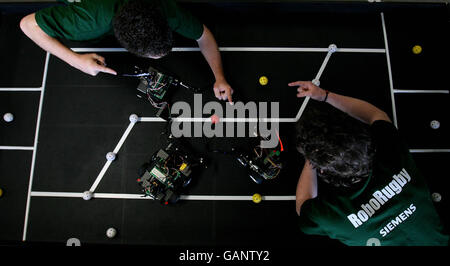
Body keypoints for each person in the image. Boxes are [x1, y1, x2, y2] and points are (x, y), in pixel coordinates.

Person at [288, 80, 449, 246]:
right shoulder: (393, 155)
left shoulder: (331, 216)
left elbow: (303, 206)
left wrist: (313, 156)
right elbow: (376, 115)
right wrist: (325, 96)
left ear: (323, 171)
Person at [19, 0, 233, 102]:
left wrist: (219, 76)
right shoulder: (89, 22)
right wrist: (76, 60)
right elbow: (28, 25)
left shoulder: (166, 9)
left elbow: (203, 35)